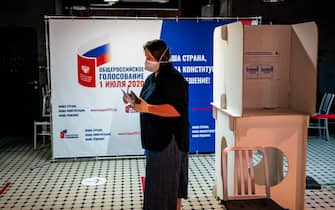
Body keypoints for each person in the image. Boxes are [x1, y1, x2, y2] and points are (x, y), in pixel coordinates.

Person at [126, 39, 189, 210]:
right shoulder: (151, 78)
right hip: (155, 140)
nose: (146, 60)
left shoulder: (174, 79)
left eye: (149, 56)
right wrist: (135, 102)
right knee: (162, 187)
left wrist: (147, 108)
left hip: (169, 142)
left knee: (164, 189)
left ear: (161, 56)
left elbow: (176, 110)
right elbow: (145, 103)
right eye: (145, 56)